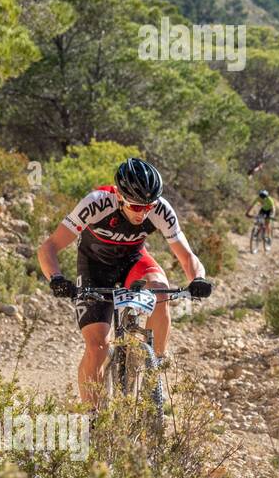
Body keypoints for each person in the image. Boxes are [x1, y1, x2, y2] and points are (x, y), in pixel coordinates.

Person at [37, 157, 211, 407]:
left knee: (160, 290)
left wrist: (198, 279)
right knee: (98, 347)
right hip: (94, 266)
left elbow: (186, 257)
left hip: (133, 261)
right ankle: (93, 418)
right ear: (119, 196)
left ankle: (155, 367)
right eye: (136, 207)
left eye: (149, 206)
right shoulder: (96, 203)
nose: (144, 212)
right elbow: (49, 246)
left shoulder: (160, 209)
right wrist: (56, 278)